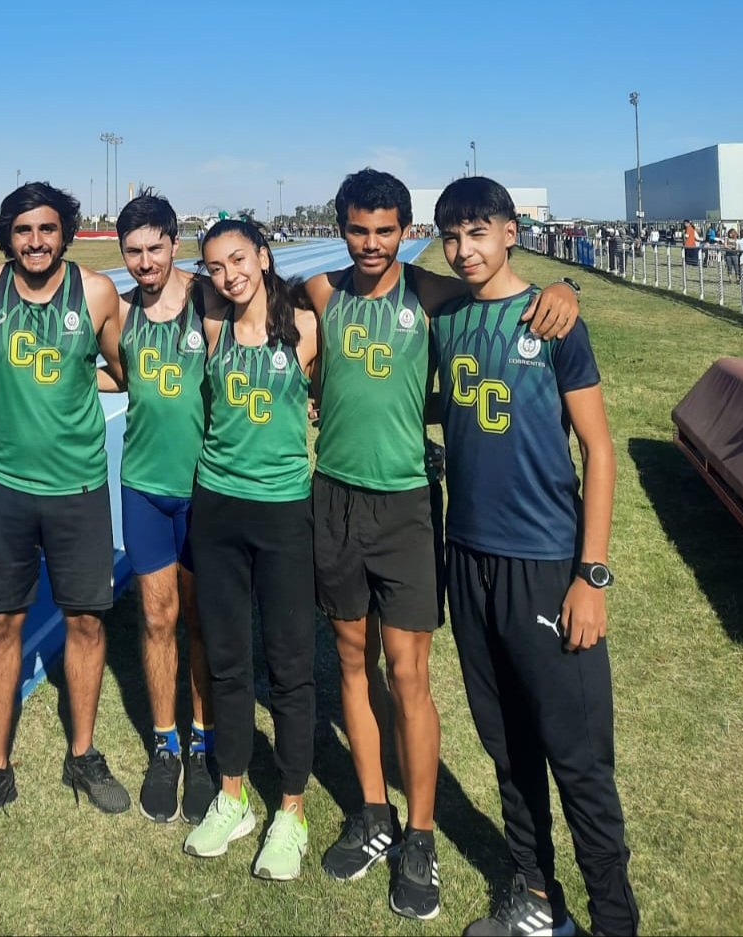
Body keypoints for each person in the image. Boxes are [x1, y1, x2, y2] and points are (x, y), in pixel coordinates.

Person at [304, 168, 578, 920]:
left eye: (385, 230)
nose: (370, 243)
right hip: (333, 495)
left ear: (406, 232)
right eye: (357, 230)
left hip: (408, 507)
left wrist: (565, 288)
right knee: (352, 666)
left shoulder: (430, 295)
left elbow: (508, 290)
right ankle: (373, 811)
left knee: (409, 672)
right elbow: (234, 289)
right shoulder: (322, 293)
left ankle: (419, 833)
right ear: (342, 229)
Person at [432, 176, 639, 937]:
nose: (464, 250)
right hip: (469, 560)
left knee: (577, 757)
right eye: (451, 237)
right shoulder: (446, 316)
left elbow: (600, 449)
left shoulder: (553, 320)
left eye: (479, 233)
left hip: (546, 565)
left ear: (511, 231)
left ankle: (614, 919)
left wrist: (592, 575)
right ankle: (535, 896)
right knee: (507, 743)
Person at [0, 182, 128, 832]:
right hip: (6, 486)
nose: (35, 241)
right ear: (8, 234)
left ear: (66, 231)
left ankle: (82, 755)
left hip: (79, 487)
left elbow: (124, 367)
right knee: (2, 626)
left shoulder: (98, 293)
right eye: (23, 230)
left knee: (84, 623)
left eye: (47, 229)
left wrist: (79, 384)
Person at [180, 218, 319, 882]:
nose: (229, 274)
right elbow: (147, 283)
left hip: (285, 511)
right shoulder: (212, 324)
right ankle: (232, 796)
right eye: (215, 266)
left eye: (238, 259)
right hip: (218, 508)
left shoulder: (306, 325)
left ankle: (290, 810)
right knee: (229, 661)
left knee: (290, 665)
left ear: (263, 257)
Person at [98, 191, 218, 824]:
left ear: (176, 242)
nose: (144, 261)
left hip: (206, 487)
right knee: (155, 615)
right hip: (143, 484)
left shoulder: (211, 298)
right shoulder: (119, 314)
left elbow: (293, 309)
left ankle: (204, 740)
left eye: (154, 248)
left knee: (202, 616)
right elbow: (116, 375)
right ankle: (165, 744)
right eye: (133, 251)